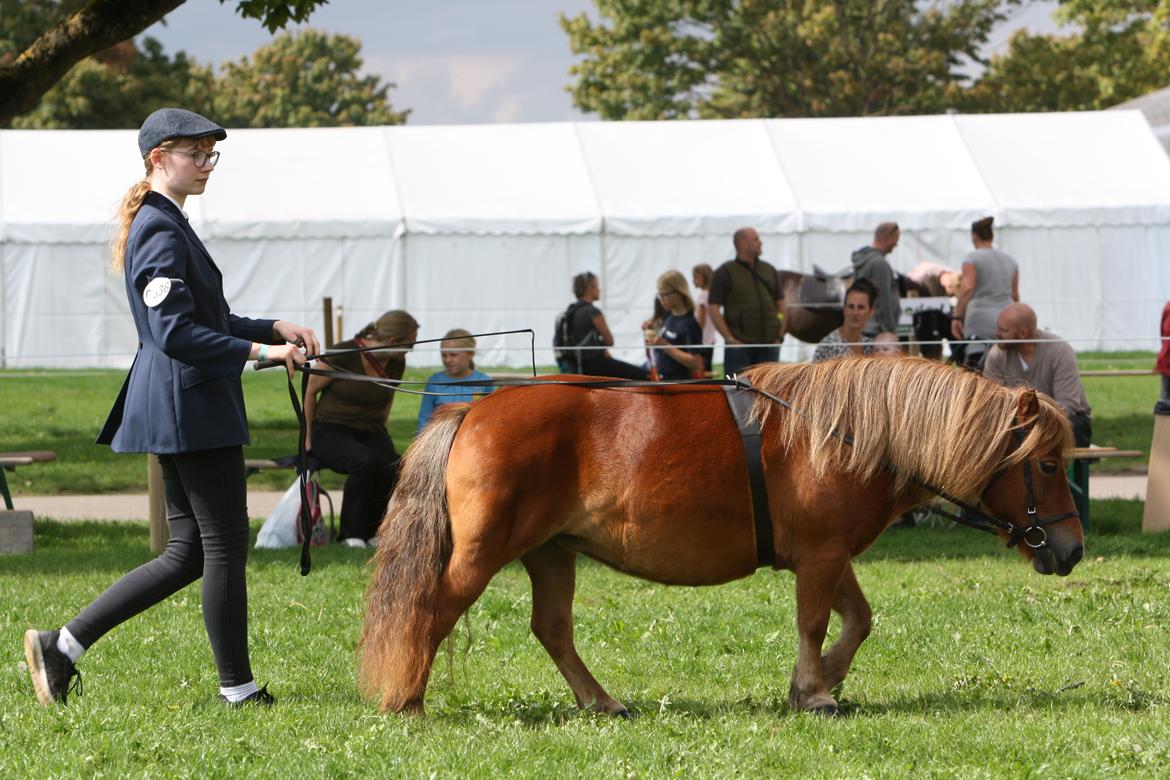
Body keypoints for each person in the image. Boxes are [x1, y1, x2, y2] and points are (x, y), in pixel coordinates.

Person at [23, 108, 320, 709]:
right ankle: (238, 689)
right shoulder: (159, 228)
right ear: (159, 157)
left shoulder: (167, 222)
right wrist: (263, 350)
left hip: (184, 404)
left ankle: (63, 645)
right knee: (225, 547)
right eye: (196, 154)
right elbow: (174, 333)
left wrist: (270, 325)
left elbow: (207, 321)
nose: (206, 165)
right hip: (192, 407)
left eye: (212, 155)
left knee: (188, 554)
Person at [305, 310, 419, 547]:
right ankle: (351, 534)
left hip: (371, 428)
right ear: (393, 341)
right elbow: (310, 391)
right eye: (409, 345)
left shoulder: (397, 362)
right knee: (364, 461)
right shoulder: (345, 353)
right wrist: (307, 436)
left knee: (391, 465)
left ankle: (373, 532)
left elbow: (388, 396)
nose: (411, 351)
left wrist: (381, 429)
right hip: (330, 428)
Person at [982, 303, 1092, 446]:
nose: (996, 333)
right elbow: (992, 403)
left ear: (1023, 333)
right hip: (1015, 423)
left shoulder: (1060, 351)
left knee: (1066, 429)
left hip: (1062, 420)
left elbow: (1067, 406)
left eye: (1003, 330)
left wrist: (1032, 419)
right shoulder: (996, 355)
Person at [708, 227, 787, 377]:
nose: (760, 242)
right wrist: (730, 339)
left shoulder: (769, 270)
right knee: (738, 393)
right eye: (756, 239)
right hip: (740, 350)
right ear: (743, 244)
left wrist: (780, 334)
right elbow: (713, 308)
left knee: (769, 393)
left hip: (770, 346)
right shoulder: (724, 272)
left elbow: (782, 304)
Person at [950, 216, 1019, 367]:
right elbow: (1015, 296)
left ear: (974, 235)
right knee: (1005, 364)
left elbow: (967, 288)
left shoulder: (972, 258)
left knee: (976, 365)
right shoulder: (1010, 260)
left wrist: (957, 316)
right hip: (1006, 317)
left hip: (979, 319)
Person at [564, 272, 647, 380]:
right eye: (597, 286)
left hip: (576, 365)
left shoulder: (571, 310)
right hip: (595, 365)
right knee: (644, 375)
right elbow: (609, 341)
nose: (599, 290)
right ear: (589, 288)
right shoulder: (593, 312)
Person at [416, 329, 494, 433]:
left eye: (453, 355)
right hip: (440, 442)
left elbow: (492, 418)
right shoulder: (434, 381)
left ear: (470, 354)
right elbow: (424, 420)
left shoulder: (484, 382)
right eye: (444, 355)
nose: (448, 360)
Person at [646, 270, 704, 380]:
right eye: (659, 295)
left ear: (679, 293)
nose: (661, 299)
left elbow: (696, 363)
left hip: (678, 383)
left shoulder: (690, 324)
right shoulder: (669, 314)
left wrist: (665, 346)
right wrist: (651, 327)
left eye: (665, 295)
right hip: (662, 378)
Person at [851, 222, 901, 338]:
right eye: (896, 239)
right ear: (888, 237)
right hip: (878, 332)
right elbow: (883, 300)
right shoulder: (879, 264)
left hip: (865, 329)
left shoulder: (864, 261)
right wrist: (889, 331)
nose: (896, 244)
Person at [812, 279, 878, 363]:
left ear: (871, 312)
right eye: (851, 306)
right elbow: (814, 375)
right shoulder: (829, 345)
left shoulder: (871, 346)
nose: (855, 312)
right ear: (844, 309)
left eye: (861, 307)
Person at [691, 263, 717, 372]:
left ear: (705, 277)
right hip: (709, 339)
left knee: (702, 371)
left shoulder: (703, 296)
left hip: (702, 340)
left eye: (696, 277)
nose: (693, 280)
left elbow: (701, 322)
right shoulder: (711, 294)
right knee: (707, 369)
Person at [1158, 300, 1170, 403]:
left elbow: (1162, 333)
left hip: (1166, 361)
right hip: (1167, 362)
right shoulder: (1168, 307)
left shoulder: (1168, 306)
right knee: (1165, 404)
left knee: (1165, 402)